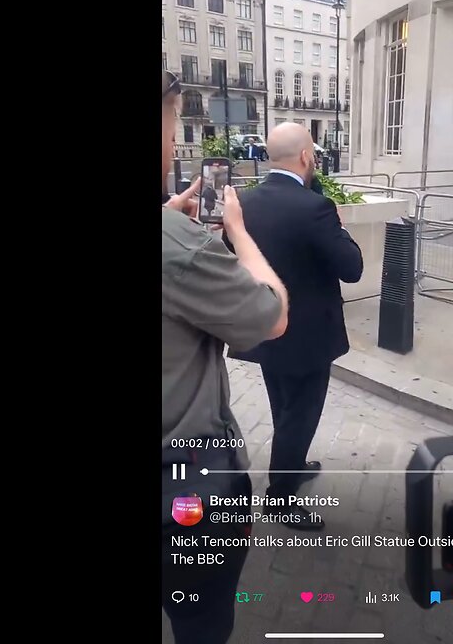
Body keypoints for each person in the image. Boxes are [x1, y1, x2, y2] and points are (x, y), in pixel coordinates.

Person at [161, 70, 290, 644]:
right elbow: (271, 314)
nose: (173, 146)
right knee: (202, 621)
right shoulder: (177, 245)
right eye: (171, 130)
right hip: (184, 490)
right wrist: (235, 232)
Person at [224, 123, 363, 529]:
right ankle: (280, 499)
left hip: (264, 325)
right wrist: (339, 227)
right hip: (308, 337)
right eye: (313, 154)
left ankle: (293, 464)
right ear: (306, 157)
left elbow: (234, 251)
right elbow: (352, 268)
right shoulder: (316, 208)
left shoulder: (244, 203)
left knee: (283, 407)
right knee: (300, 415)